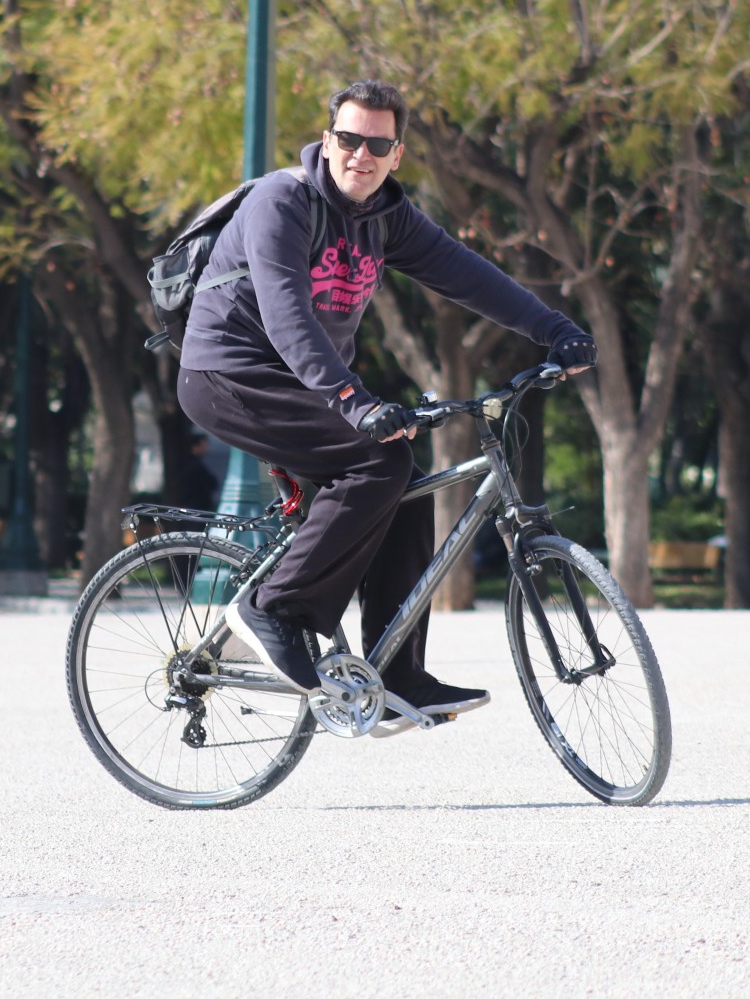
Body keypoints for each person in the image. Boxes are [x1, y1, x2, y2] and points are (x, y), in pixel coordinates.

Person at [177, 79, 594, 718]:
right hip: (229, 375)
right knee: (379, 462)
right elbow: (288, 318)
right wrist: (355, 402)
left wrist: (555, 330)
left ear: (396, 155)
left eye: (378, 144)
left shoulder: (385, 217)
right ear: (328, 139)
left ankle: (397, 674)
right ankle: (272, 609)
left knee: (405, 480)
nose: (360, 155)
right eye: (348, 139)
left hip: (305, 385)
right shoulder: (281, 202)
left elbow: (470, 275)